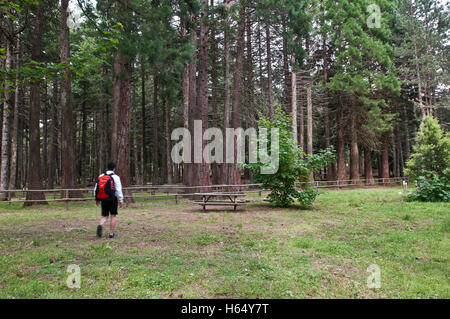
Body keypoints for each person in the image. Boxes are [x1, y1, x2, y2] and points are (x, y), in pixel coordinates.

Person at [93, 162, 124, 238]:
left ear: (107, 168)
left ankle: (100, 225)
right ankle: (111, 234)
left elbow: (96, 188)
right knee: (113, 216)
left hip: (103, 198)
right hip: (112, 199)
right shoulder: (116, 177)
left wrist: (97, 199)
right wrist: (121, 200)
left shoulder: (101, 176)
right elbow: (118, 190)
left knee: (105, 216)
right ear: (114, 168)